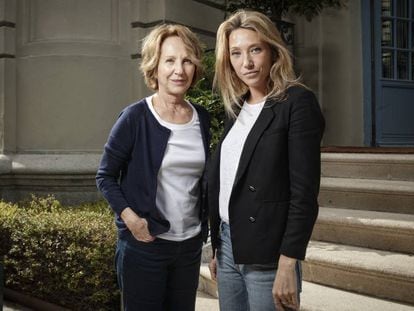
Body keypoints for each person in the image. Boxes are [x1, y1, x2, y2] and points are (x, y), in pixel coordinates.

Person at [208, 10, 325, 311]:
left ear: (273, 50)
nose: (246, 62)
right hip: (228, 243)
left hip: (270, 252)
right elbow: (226, 179)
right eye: (236, 53)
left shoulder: (296, 102)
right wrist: (217, 247)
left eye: (255, 49)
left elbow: (304, 194)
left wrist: (289, 263)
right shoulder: (236, 107)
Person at [96, 24, 210, 311]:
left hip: (189, 246)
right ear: (154, 67)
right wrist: (131, 220)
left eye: (186, 61)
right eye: (169, 60)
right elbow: (105, 176)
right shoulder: (135, 117)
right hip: (144, 245)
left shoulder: (202, 118)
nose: (179, 70)